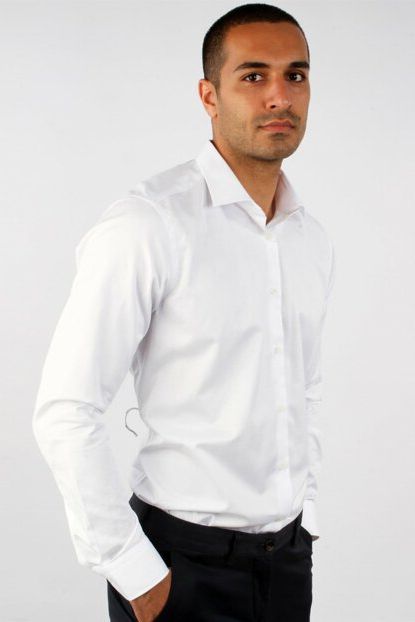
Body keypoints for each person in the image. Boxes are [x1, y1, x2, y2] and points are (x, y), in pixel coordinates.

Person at [32, 3, 336, 621]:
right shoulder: (150, 223)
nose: (280, 96)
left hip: (286, 564)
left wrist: (303, 515)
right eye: (254, 75)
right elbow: (67, 408)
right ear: (209, 95)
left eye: (296, 75)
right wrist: (135, 573)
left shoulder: (310, 238)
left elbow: (303, 388)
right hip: (179, 570)